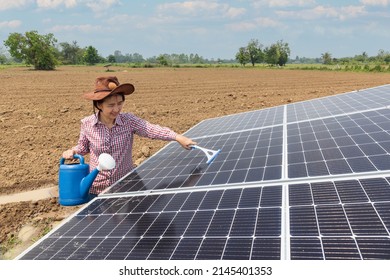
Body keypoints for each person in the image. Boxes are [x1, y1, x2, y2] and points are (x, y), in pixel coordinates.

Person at [62, 76, 196, 196]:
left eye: (120, 104)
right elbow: (83, 147)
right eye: (111, 105)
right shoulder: (87, 123)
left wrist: (177, 137)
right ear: (99, 105)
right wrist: (73, 151)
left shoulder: (128, 121)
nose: (116, 109)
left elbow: (150, 129)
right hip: (97, 187)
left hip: (125, 184)